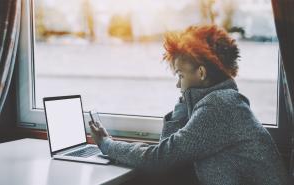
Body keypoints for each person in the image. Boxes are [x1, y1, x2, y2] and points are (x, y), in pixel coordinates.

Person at [88, 25, 289, 185]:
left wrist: (106, 144)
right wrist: (185, 100)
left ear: (201, 73)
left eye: (180, 75)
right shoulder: (221, 102)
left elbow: (159, 159)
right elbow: (169, 158)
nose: (177, 84)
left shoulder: (220, 106)